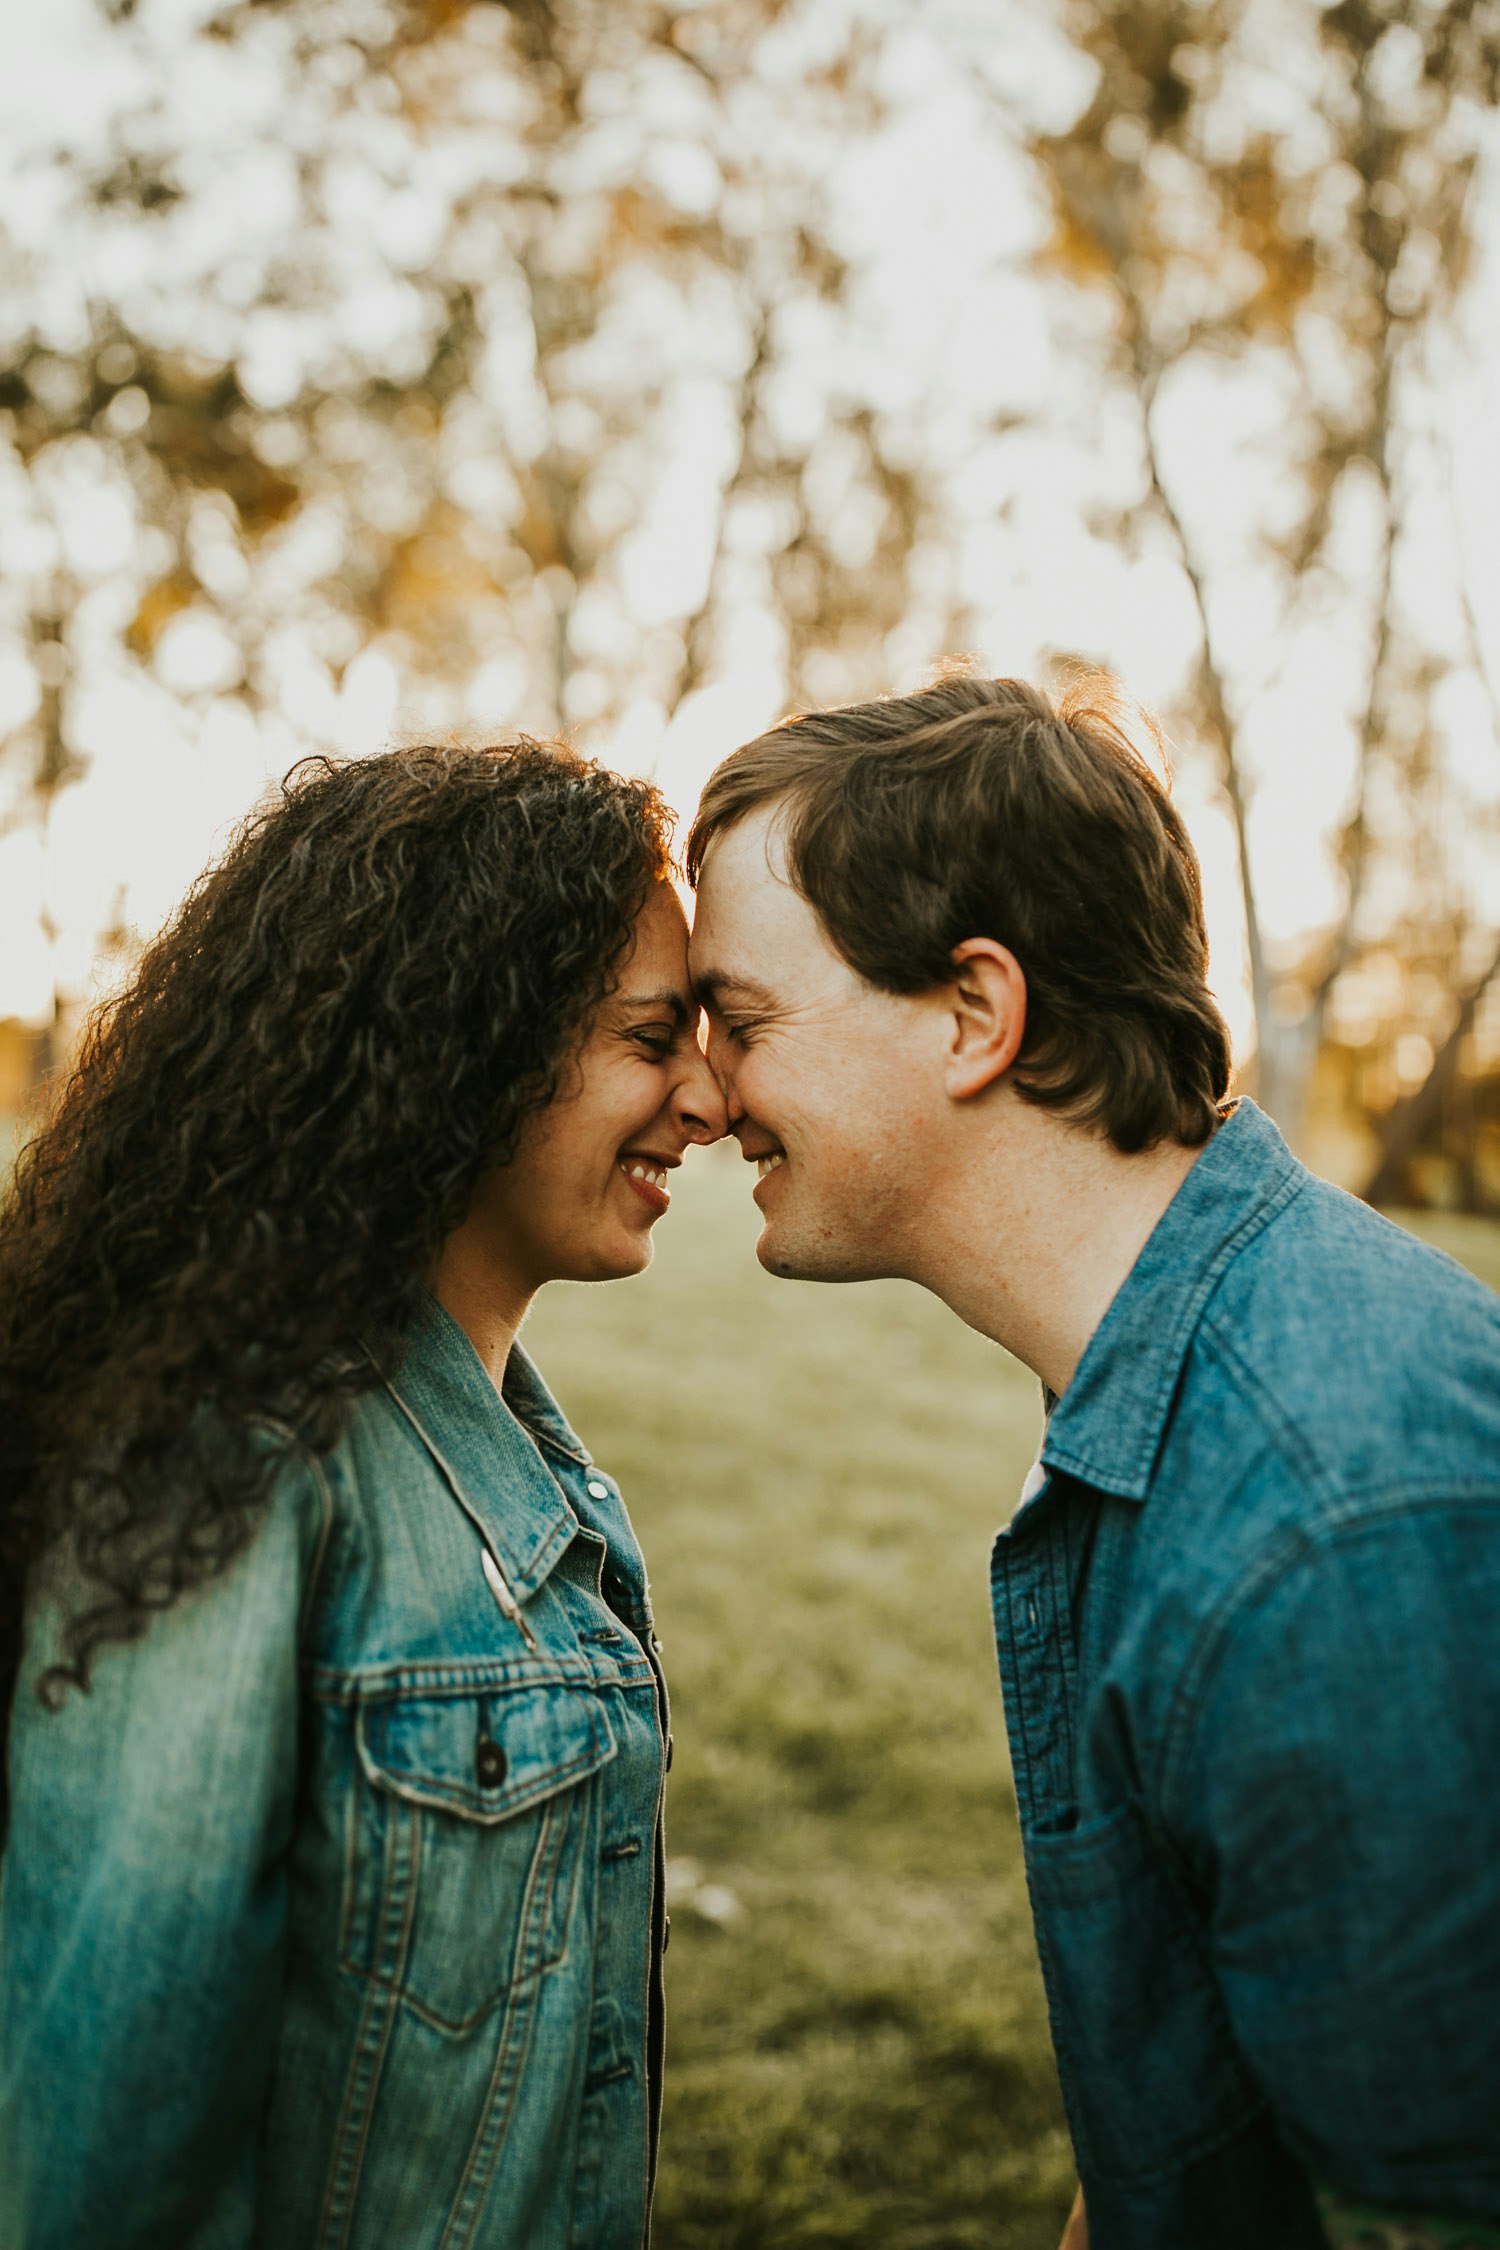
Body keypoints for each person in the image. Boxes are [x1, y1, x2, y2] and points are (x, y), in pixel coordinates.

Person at [684, 672, 1500, 2250]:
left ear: (974, 1014)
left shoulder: (1335, 1530)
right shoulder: (1171, 1370)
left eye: (746, 1019)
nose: (708, 1094)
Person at [0, 738, 726, 2250]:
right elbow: (102, 2143)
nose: (708, 1100)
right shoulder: (239, 1462)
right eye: (654, 1038)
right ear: (474, 1039)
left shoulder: (537, 1468)